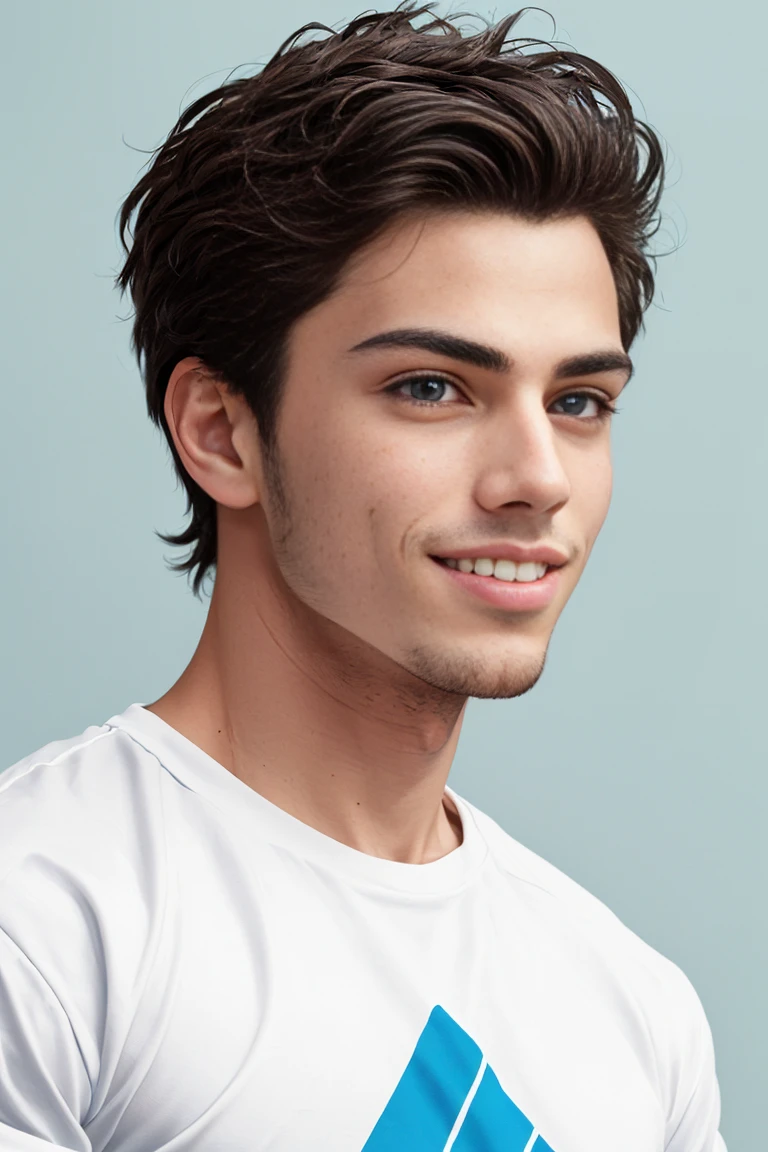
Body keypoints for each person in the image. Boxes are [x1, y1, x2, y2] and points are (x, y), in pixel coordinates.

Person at [0, 3, 726, 1149]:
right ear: (222, 433)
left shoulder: (638, 1015)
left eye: (579, 402)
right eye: (433, 388)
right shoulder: (44, 925)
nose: (538, 477)